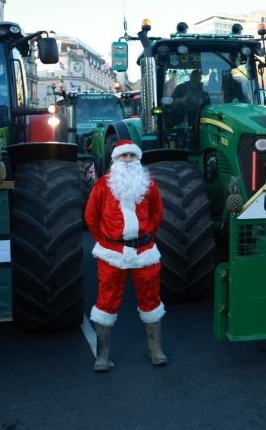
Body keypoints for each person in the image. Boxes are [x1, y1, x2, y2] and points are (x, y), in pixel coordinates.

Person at [84, 139, 167, 372]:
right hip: (112, 254)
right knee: (107, 301)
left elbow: (157, 214)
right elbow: (91, 217)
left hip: (144, 253)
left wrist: (146, 236)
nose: (128, 160)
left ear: (138, 159)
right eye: (124, 156)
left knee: (151, 299)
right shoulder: (102, 186)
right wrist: (106, 242)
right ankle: (102, 354)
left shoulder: (149, 185)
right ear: (115, 159)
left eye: (132, 156)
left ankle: (155, 349)